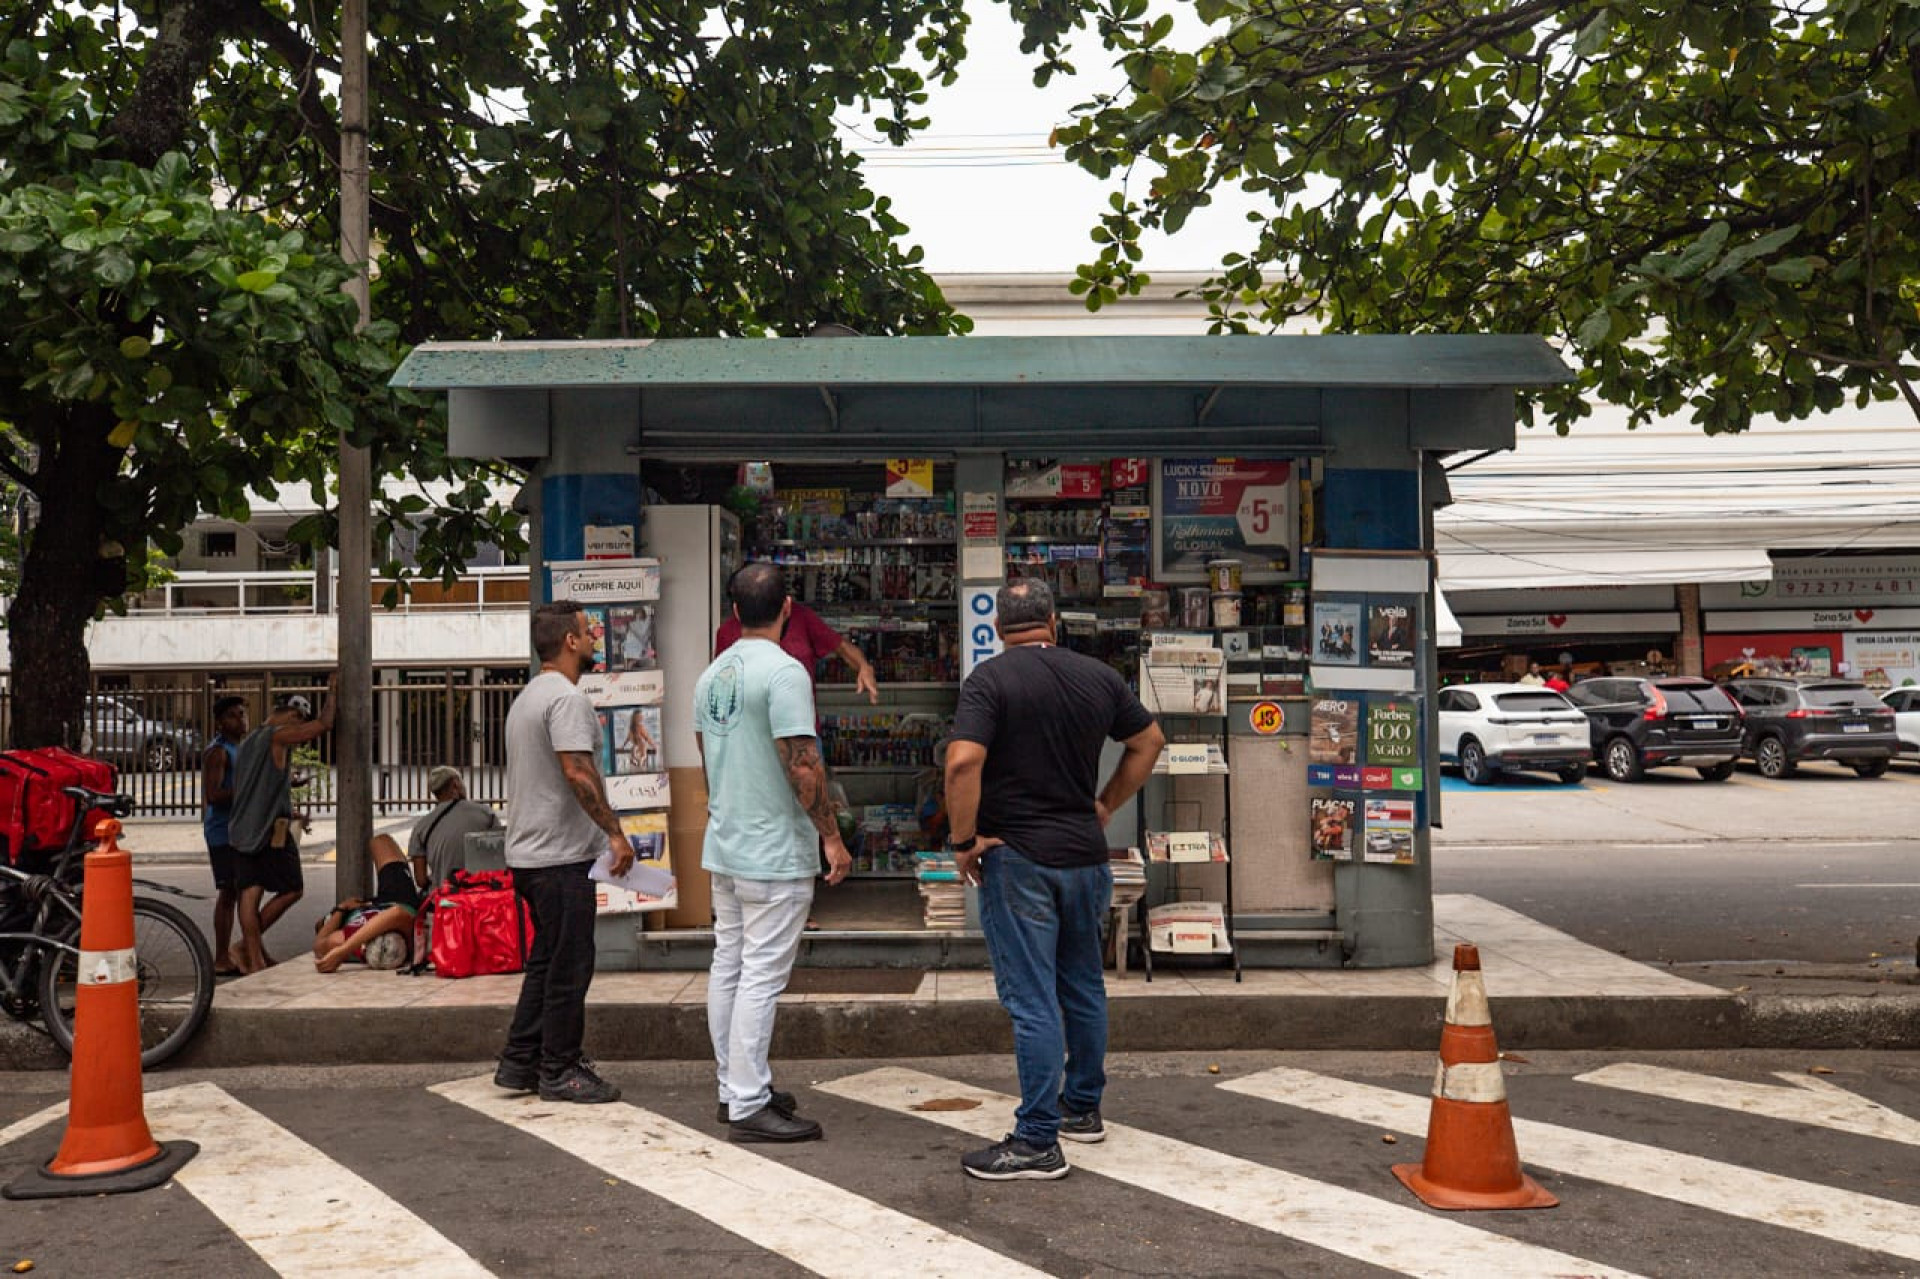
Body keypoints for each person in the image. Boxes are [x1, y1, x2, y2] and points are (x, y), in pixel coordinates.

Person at [944, 578, 1165, 1180]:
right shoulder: (1098, 677)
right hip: (1085, 859)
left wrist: (963, 843)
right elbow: (1149, 742)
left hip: (1020, 860)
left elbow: (962, 762)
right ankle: (1082, 1109)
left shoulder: (989, 680)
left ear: (997, 629)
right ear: (1053, 622)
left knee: (1032, 999)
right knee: (1082, 985)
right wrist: (1105, 804)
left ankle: (1037, 1140)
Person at [694, 563, 852, 1143]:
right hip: (772, 848)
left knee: (729, 966)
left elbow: (706, 754)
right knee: (759, 976)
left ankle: (733, 1086)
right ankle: (748, 1103)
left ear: (735, 612)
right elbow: (803, 764)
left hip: (727, 842)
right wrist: (830, 836)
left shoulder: (711, 675)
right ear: (787, 608)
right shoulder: (785, 673)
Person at [495, 600, 632, 1105]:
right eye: (587, 632)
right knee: (570, 967)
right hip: (559, 859)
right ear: (571, 642)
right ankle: (560, 1068)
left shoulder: (529, 697)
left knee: (547, 961)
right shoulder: (567, 700)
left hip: (531, 857)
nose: (594, 639)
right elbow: (577, 770)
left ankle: (521, 1061)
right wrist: (615, 833)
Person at [227, 677, 337, 975]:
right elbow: (323, 725)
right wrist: (333, 691)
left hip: (243, 828)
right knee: (292, 888)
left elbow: (260, 784)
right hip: (265, 830)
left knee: (250, 891)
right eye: (298, 721)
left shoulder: (250, 740)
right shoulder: (277, 736)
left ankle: (253, 958)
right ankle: (245, 949)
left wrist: (291, 809)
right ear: (291, 715)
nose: (298, 732)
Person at [716, 592, 880, 705]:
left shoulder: (801, 617)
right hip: (754, 734)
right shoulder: (727, 632)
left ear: (786, 604)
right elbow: (721, 689)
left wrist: (863, 666)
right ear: (738, 609)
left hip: (801, 729)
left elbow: (841, 646)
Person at [312, 834, 423, 972]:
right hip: (397, 899)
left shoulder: (343, 940)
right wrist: (343, 950)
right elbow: (397, 913)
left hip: (357, 910)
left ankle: (330, 919)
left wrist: (341, 909)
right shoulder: (410, 934)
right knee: (381, 841)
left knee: (320, 924)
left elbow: (319, 946)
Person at [201, 695, 248, 977]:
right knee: (228, 893)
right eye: (233, 715)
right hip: (222, 832)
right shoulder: (218, 752)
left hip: (237, 830)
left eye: (242, 714)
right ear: (219, 722)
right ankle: (221, 957)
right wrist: (247, 790)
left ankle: (246, 950)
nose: (240, 720)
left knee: (242, 891)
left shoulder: (237, 748)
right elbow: (214, 794)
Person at [408, 765, 499, 891]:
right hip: (483, 894)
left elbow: (421, 880)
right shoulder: (486, 813)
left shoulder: (421, 827)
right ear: (455, 784)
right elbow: (500, 857)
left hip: (444, 897)